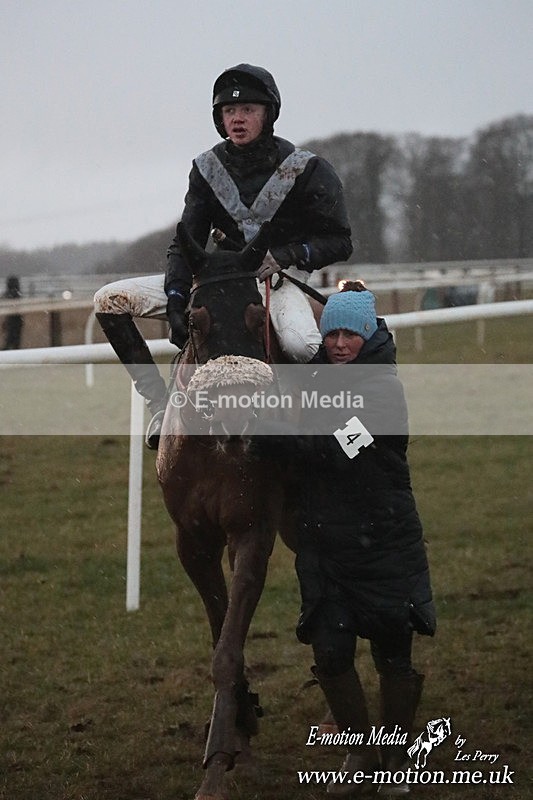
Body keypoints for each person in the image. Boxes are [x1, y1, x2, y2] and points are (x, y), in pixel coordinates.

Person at [94, 63, 352, 449]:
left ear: (269, 114)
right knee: (108, 301)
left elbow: (339, 241)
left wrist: (285, 254)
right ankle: (161, 406)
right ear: (219, 118)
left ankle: (317, 427)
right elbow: (185, 243)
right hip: (213, 284)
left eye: (248, 109)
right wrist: (178, 297)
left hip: (272, 282)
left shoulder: (307, 169)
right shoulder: (205, 169)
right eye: (229, 111)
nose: (237, 118)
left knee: (301, 344)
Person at [253, 282, 436, 796]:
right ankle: (360, 757)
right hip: (324, 547)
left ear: (367, 335)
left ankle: (396, 764)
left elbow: (335, 449)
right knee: (331, 654)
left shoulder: (383, 390)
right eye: (330, 332)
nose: (337, 343)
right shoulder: (315, 381)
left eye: (348, 334)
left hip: (384, 542)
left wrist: (265, 431)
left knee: (392, 656)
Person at [2, 276, 24, 350]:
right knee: (15, 337)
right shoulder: (17, 293)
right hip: (17, 319)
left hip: (13, 319)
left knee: (11, 337)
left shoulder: (9, 294)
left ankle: (7, 350)